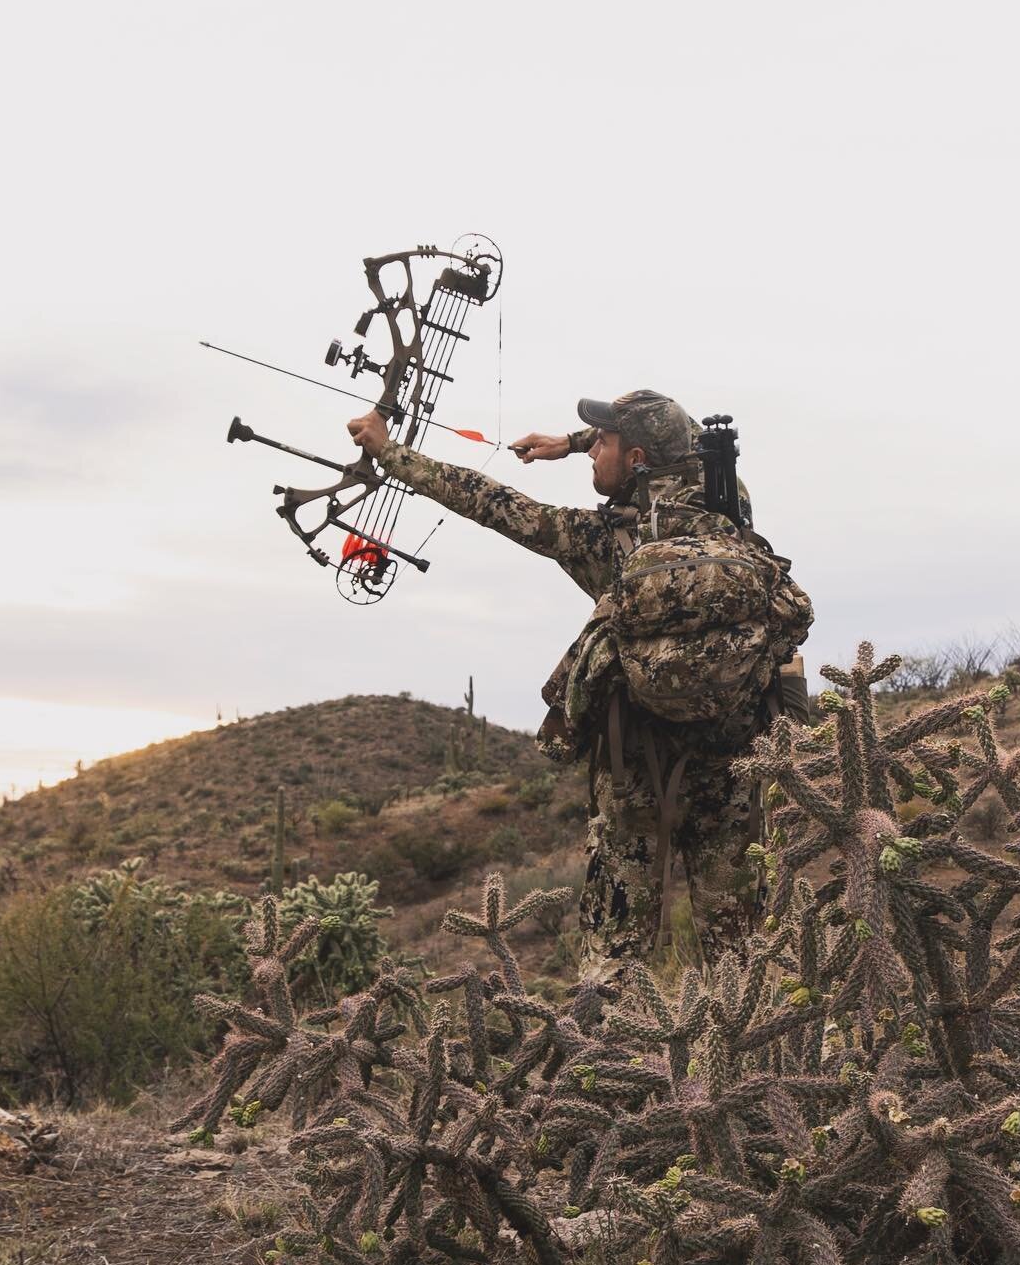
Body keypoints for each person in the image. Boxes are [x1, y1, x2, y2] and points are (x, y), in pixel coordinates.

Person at [346, 390, 811, 992]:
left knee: (614, 966)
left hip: (634, 768)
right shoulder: (733, 520)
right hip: (737, 770)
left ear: (638, 456)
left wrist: (391, 452)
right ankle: (755, 1076)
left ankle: (608, 1075)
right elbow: (682, 439)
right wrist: (571, 444)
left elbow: (489, 501)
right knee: (745, 965)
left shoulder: (602, 541)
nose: (594, 452)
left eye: (605, 442)